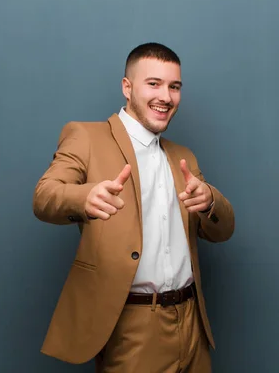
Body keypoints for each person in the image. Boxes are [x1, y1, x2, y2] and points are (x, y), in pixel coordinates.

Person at [32, 42, 235, 372]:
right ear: (127, 88)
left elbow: (223, 230)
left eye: (174, 87)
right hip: (132, 325)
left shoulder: (183, 156)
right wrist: (84, 198)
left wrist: (210, 199)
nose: (165, 97)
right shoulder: (86, 137)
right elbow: (44, 197)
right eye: (153, 84)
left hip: (192, 322)